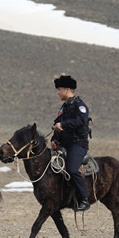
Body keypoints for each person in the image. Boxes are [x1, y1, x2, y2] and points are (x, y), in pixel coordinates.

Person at [51, 75, 91, 212]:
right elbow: (57, 125)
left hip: (78, 144)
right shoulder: (64, 107)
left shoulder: (80, 106)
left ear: (67, 89)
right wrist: (54, 140)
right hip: (64, 144)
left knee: (72, 169)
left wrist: (63, 123)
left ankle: (84, 200)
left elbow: (81, 121)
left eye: (59, 89)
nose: (57, 92)